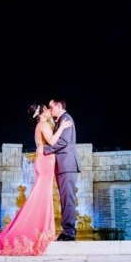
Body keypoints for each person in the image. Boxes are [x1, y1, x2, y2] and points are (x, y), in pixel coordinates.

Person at [0, 103, 72, 255]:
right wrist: (62, 128)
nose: (49, 110)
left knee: (43, 197)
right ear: (41, 113)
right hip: (45, 163)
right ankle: (39, 231)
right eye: (46, 109)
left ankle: (45, 230)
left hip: (44, 162)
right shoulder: (42, 124)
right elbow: (52, 142)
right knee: (40, 197)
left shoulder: (41, 124)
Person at [43, 98, 81, 241]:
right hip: (63, 165)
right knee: (65, 199)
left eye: (51, 107)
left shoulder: (66, 118)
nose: (50, 109)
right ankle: (68, 230)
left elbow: (64, 141)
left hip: (67, 165)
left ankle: (69, 232)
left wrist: (45, 149)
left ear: (59, 106)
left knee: (68, 198)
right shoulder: (60, 121)